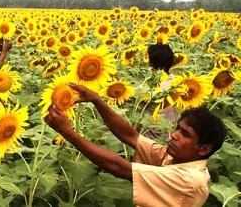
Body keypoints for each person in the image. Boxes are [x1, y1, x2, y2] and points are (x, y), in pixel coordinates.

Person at [44, 83, 226, 207]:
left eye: (185, 134)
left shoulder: (190, 181)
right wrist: (96, 100)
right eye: (178, 129)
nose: (174, 135)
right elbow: (130, 136)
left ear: (204, 149)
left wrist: (67, 131)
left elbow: (117, 166)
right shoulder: (174, 158)